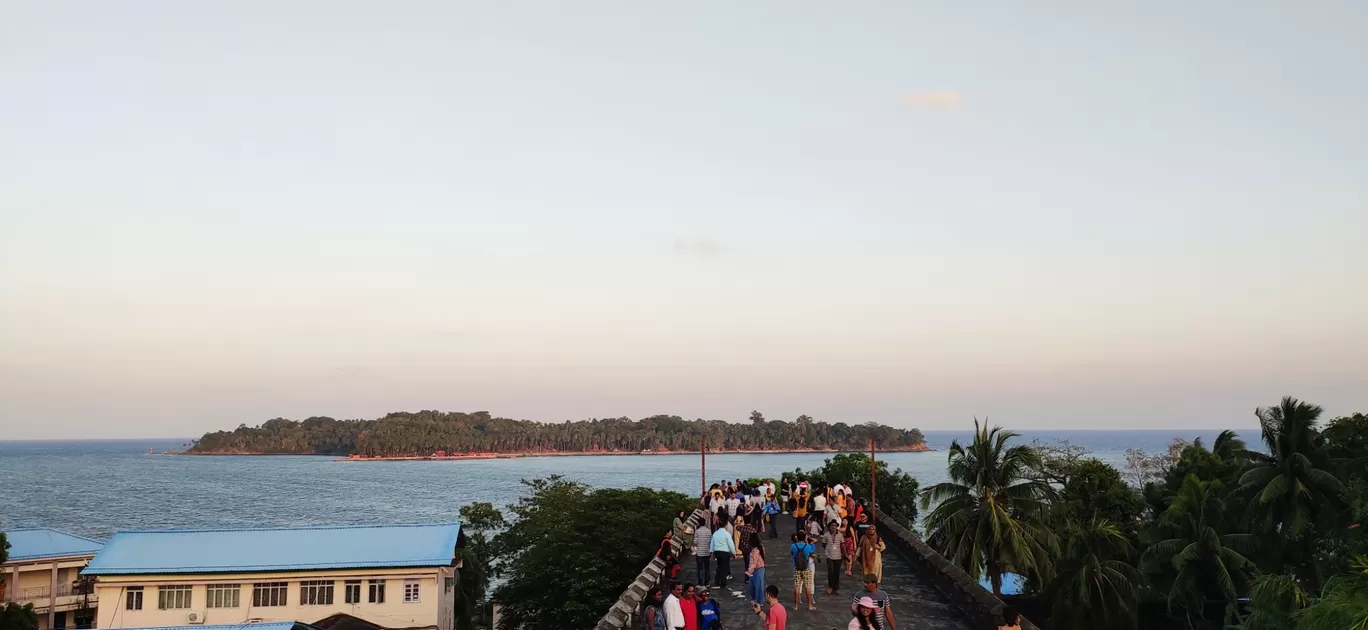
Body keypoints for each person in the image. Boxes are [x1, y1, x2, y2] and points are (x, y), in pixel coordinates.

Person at [789, 533, 817, 610]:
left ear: (797, 538)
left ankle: (796, 605)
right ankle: (810, 605)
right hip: (806, 568)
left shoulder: (793, 546)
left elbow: (792, 554)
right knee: (808, 587)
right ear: (805, 538)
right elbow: (810, 554)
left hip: (796, 568)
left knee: (797, 587)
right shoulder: (808, 546)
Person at [710, 514, 739, 589]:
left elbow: (712, 543)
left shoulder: (715, 533)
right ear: (725, 525)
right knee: (724, 568)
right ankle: (723, 583)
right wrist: (734, 553)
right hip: (725, 552)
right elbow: (731, 544)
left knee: (719, 566)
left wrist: (712, 552)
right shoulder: (727, 534)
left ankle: (717, 580)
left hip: (717, 552)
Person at [820, 520, 845, 595]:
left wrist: (844, 553)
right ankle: (830, 586)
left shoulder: (840, 535)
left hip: (838, 556)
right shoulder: (826, 535)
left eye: (835, 525)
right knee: (831, 571)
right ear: (829, 527)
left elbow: (842, 544)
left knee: (837, 573)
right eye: (832, 525)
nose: (833, 527)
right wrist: (828, 550)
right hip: (829, 556)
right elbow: (824, 544)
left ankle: (836, 588)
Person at [744, 531, 767, 605]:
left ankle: (758, 601)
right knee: (756, 586)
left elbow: (754, 562)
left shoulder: (755, 550)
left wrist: (749, 571)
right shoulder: (760, 547)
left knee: (757, 586)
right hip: (759, 569)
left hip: (757, 569)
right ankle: (757, 600)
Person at [737, 514, 758, 582]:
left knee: (746, 562)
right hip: (750, 547)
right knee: (749, 562)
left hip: (743, 547)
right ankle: (749, 577)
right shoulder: (752, 529)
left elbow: (737, 527)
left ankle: (747, 577)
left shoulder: (743, 528)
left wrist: (740, 522)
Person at [692, 519, 712, 585]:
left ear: (699, 523)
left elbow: (695, 542)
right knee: (707, 568)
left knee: (700, 568)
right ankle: (707, 582)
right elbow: (710, 541)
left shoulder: (697, 531)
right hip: (707, 551)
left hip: (699, 552)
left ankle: (700, 582)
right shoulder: (709, 531)